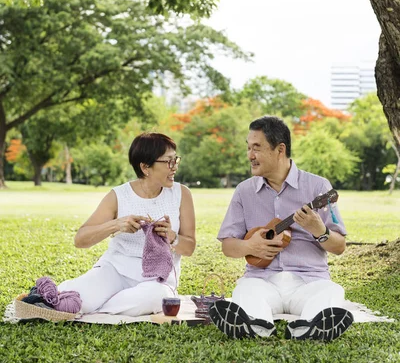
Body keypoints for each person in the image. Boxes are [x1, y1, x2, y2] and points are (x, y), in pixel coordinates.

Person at [209, 116, 353, 342]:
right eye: (248, 148)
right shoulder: (244, 191)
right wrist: (250, 245)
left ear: (280, 149)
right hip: (262, 280)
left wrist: (319, 230)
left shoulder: (319, 187)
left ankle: (306, 328)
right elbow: (228, 246)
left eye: (256, 148)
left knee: (332, 292)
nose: (250, 155)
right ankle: (258, 325)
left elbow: (340, 247)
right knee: (244, 291)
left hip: (310, 280)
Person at [58, 132, 196, 316]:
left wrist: (173, 237)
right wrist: (116, 225)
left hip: (157, 280)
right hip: (115, 270)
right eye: (168, 161)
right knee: (81, 296)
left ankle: (94, 307)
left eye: (175, 160)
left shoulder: (182, 194)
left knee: (157, 298)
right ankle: (81, 299)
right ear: (146, 167)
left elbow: (190, 248)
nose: (174, 167)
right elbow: (80, 240)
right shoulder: (119, 195)